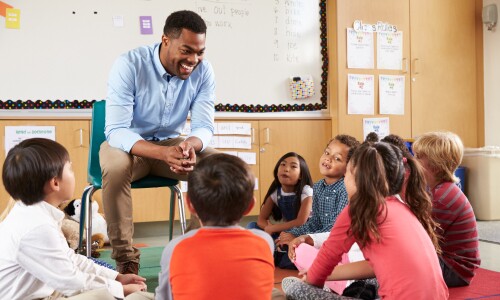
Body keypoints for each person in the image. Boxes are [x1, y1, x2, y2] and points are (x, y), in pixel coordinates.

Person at [101, 10, 217, 274]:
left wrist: (191, 146)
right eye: (187, 50)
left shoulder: (204, 71)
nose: (193, 60)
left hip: (174, 143)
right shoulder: (129, 64)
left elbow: (204, 126)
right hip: (129, 146)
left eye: (200, 52)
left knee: (222, 168)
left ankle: (198, 248)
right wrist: (162, 154)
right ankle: (126, 259)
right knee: (116, 167)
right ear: (165, 40)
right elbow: (116, 130)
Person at [282, 142, 448, 299]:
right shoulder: (402, 207)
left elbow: (325, 261)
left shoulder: (358, 209)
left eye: (346, 175)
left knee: (293, 287)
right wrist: (324, 273)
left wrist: (312, 280)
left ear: (357, 178)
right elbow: (374, 266)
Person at [0, 138, 150, 300]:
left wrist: (115, 277)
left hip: (46, 290)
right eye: (69, 169)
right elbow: (73, 283)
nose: (73, 173)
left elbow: (71, 259)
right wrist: (121, 289)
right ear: (55, 183)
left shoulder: (35, 214)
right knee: (128, 297)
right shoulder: (37, 227)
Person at [155, 154, 280, 300]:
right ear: (250, 206)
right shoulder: (264, 241)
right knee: (275, 293)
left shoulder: (175, 247)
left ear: (190, 205)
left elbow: (164, 297)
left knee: (137, 296)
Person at [413, 131, 481, 287]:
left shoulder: (442, 199)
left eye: (418, 157)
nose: (413, 161)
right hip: (449, 262)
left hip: (454, 269)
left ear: (435, 167)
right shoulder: (440, 190)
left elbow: (420, 238)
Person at [277, 135, 360, 247]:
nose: (328, 159)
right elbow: (315, 222)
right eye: (327, 153)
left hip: (336, 241)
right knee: (284, 245)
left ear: (348, 168)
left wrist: (303, 238)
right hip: (318, 238)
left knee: (296, 250)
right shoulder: (317, 187)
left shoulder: (346, 189)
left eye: (337, 158)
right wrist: (292, 233)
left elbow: (336, 228)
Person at [247, 152, 313, 237]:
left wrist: (273, 228)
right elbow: (261, 220)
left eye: (293, 166)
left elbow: (300, 222)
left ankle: (279, 246)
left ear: (301, 175)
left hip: (305, 233)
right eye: (283, 164)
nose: (286, 169)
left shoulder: (306, 191)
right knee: (252, 226)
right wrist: (269, 228)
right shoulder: (275, 192)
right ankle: (279, 245)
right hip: (286, 231)